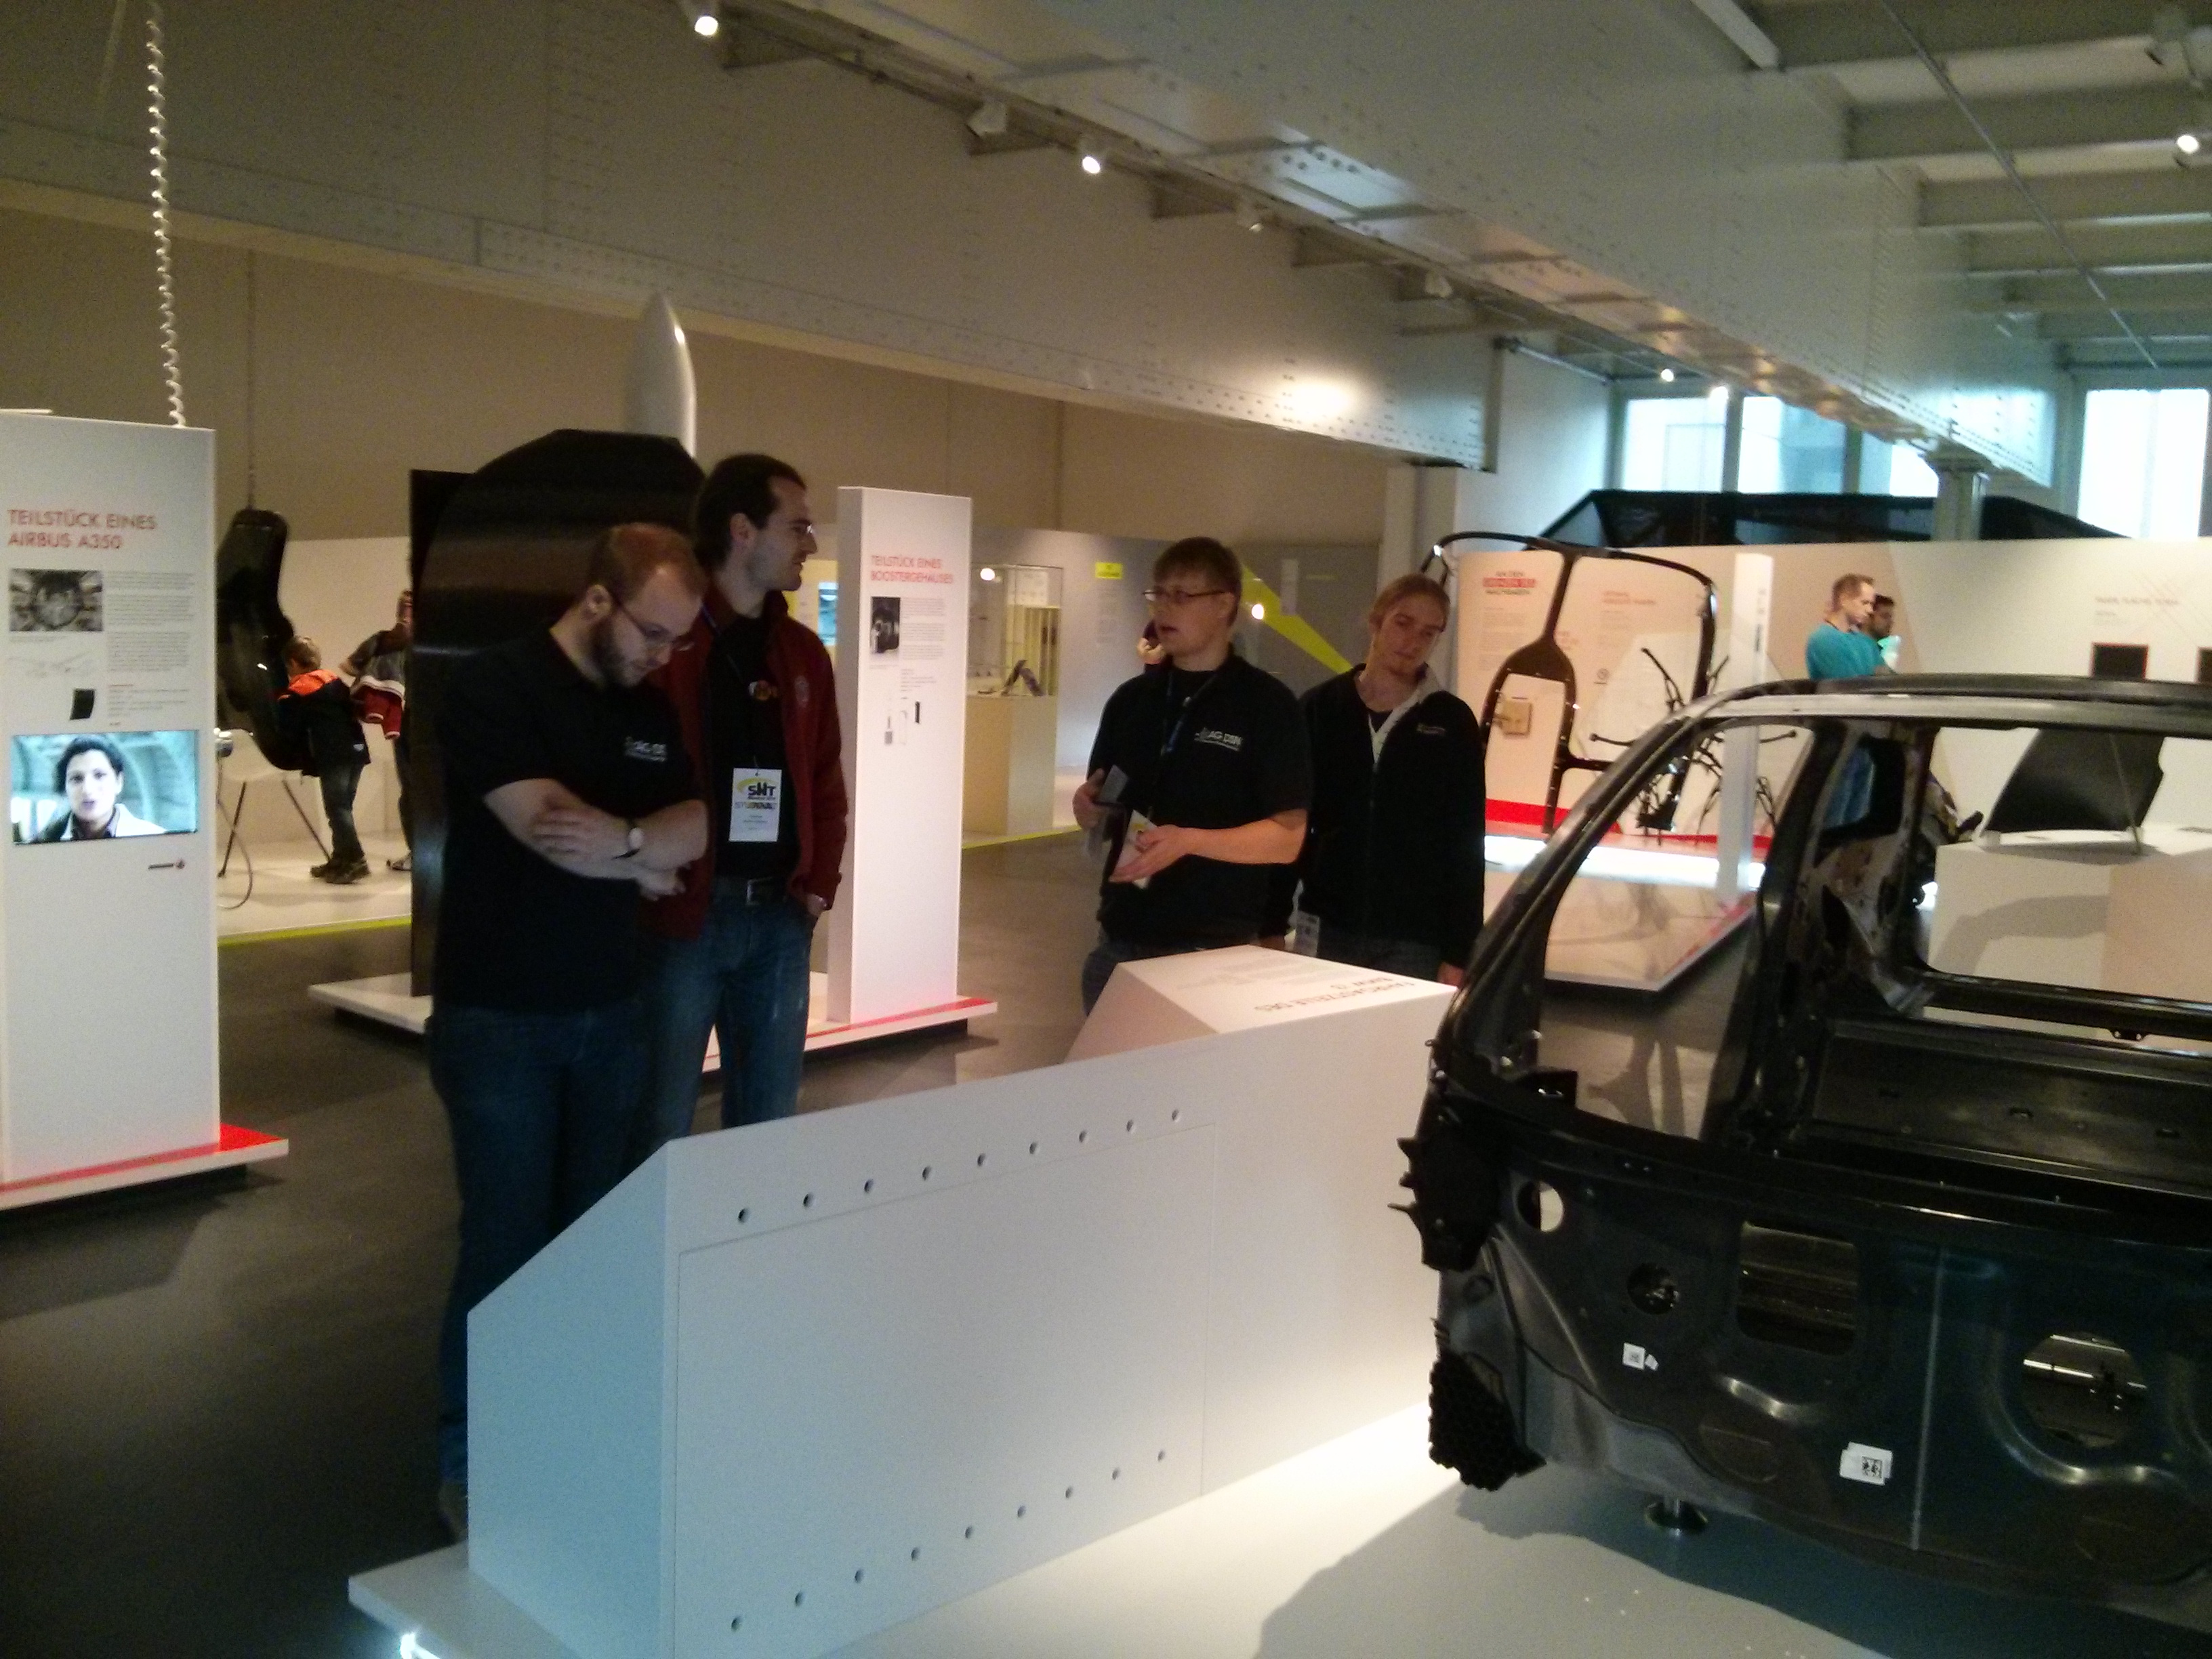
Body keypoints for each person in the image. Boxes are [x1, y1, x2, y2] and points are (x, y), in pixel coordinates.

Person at [428, 522, 708, 1538]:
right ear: (597, 601)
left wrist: (628, 842)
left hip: (611, 1013)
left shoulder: (644, 706)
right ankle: (471, 1459)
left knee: (587, 1240)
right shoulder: (494, 687)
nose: (662, 656)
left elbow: (696, 824)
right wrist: (642, 858)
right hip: (500, 1018)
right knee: (503, 1245)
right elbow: (548, 831)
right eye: (652, 632)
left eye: (678, 640)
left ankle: (563, 1441)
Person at [635, 455, 848, 1157]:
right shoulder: (672, 643)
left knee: (766, 1126)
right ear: (742, 531)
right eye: (798, 526)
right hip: (684, 919)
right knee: (660, 1121)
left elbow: (824, 779)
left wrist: (818, 886)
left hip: (779, 920)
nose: (810, 543)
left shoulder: (802, 654)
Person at [1072, 537, 1309, 1012]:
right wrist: (1089, 808)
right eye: (1158, 594)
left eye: (1181, 596)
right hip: (1120, 938)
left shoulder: (1267, 706)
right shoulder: (1132, 700)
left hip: (1210, 950)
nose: (1164, 608)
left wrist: (1190, 841)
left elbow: (1287, 839)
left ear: (1224, 605)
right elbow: (1104, 806)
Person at [1275, 573, 1485, 983]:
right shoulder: (1320, 708)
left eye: (1428, 633)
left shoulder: (1451, 721)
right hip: (1328, 922)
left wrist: (1460, 951)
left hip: (1414, 938)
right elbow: (1291, 822)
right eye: (1403, 623)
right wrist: (1271, 921)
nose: (1413, 641)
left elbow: (1465, 839)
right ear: (1376, 621)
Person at [276, 636, 372, 882]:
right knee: (342, 808)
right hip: (356, 751)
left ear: (294, 662)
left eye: (288, 666)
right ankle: (340, 860)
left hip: (334, 755)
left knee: (337, 809)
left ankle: (356, 860)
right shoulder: (334, 681)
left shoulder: (300, 691)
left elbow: (289, 730)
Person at [344, 590, 413, 872]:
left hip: (420, 720)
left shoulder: (388, 641)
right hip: (409, 721)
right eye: (404, 607)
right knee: (413, 789)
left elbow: (351, 666)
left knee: (419, 789)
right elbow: (352, 665)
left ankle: (425, 852)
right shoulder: (385, 641)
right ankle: (421, 852)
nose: (406, 613)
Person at [35, 736, 166, 838]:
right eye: (76, 779)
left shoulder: (156, 839)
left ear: (119, 782)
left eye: (99, 775)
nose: (87, 790)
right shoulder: (43, 843)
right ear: (65, 787)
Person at [1805, 574, 1885, 680]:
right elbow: (1848, 684)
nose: (1870, 610)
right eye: (1864, 603)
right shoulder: (1824, 639)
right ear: (1844, 600)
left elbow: (1887, 678)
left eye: (1871, 604)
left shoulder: (1866, 642)